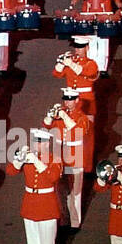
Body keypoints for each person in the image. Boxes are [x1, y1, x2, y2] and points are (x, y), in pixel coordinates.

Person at [6, 129, 62, 244]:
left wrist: (36, 161)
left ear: (47, 144)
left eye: (40, 142)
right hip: (30, 204)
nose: (37, 145)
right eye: (35, 142)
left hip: (47, 206)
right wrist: (19, 159)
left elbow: (53, 177)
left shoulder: (55, 159)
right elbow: (11, 171)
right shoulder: (28, 157)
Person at [44, 88, 92, 230]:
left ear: (77, 101)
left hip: (75, 159)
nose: (68, 102)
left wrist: (64, 116)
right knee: (60, 191)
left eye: (71, 99)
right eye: (66, 99)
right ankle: (64, 219)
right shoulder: (60, 115)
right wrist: (51, 115)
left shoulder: (82, 117)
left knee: (74, 193)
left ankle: (75, 223)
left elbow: (78, 131)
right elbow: (46, 126)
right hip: (60, 158)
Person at [52, 36, 99, 120]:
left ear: (87, 48)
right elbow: (57, 74)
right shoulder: (71, 60)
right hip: (71, 99)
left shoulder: (91, 63)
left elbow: (85, 72)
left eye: (80, 47)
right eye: (76, 47)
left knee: (87, 125)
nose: (77, 50)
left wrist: (71, 64)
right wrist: (61, 63)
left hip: (86, 99)